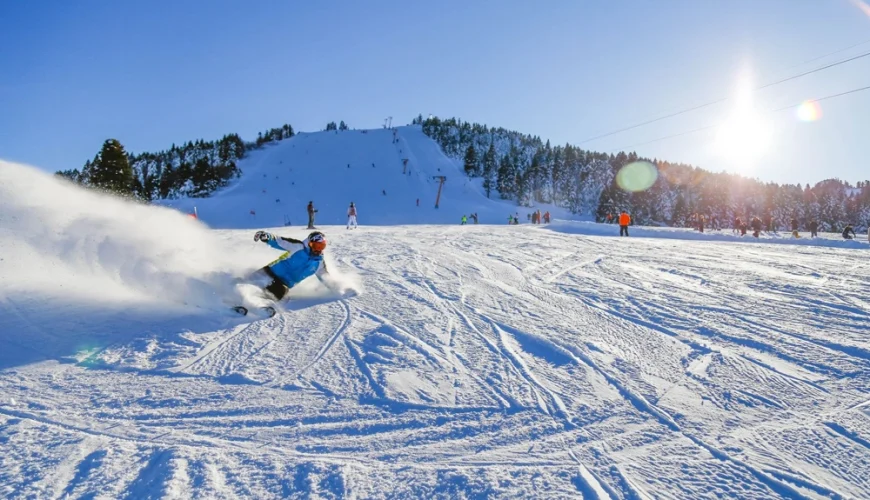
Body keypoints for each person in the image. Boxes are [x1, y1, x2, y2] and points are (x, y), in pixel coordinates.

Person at [250, 230, 330, 301]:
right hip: (270, 271)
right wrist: (267, 237)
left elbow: (326, 278)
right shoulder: (298, 247)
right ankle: (239, 290)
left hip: (283, 284)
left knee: (276, 294)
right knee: (250, 281)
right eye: (316, 246)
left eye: (321, 246)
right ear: (309, 243)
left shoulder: (319, 263)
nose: (318, 250)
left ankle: (254, 303)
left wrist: (338, 288)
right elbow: (280, 241)